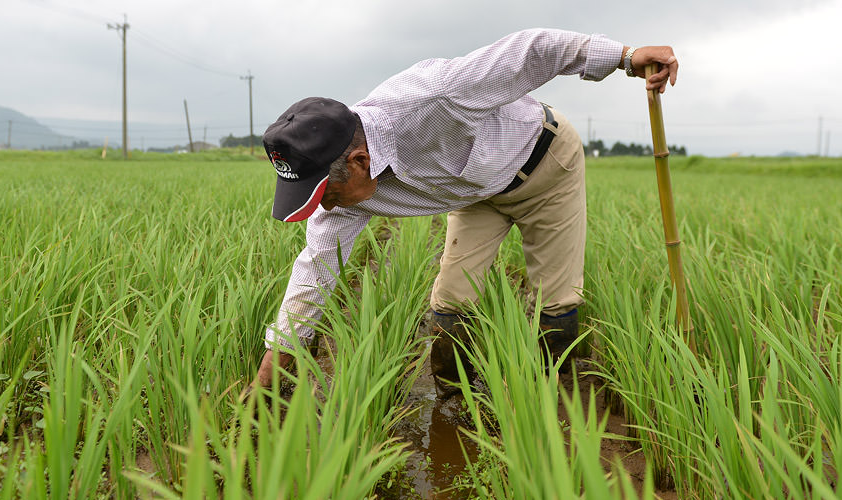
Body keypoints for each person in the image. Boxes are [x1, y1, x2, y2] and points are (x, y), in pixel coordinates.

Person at [245, 28, 678, 399]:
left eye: (324, 193)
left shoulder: (432, 96)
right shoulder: (343, 197)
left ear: (359, 161)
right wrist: (268, 378)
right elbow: (313, 277)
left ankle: (544, 399)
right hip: (476, 193)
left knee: (558, 300)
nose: (323, 206)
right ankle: (456, 402)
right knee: (451, 304)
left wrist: (624, 57)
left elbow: (532, 50)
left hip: (545, 167)